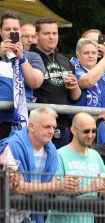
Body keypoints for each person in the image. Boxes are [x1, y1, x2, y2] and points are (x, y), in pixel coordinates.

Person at [30, 17, 81, 147]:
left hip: (62, 125)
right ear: (36, 36)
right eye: (47, 33)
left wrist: (75, 86)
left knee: (58, 166)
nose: (52, 37)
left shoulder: (65, 61)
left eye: (55, 33)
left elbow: (74, 97)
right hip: (39, 123)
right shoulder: (30, 58)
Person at [0, 10, 45, 138]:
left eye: (15, 29)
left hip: (22, 122)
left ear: (20, 32)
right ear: (0, 31)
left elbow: (35, 82)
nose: (11, 32)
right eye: (7, 29)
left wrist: (21, 58)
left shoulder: (32, 56)